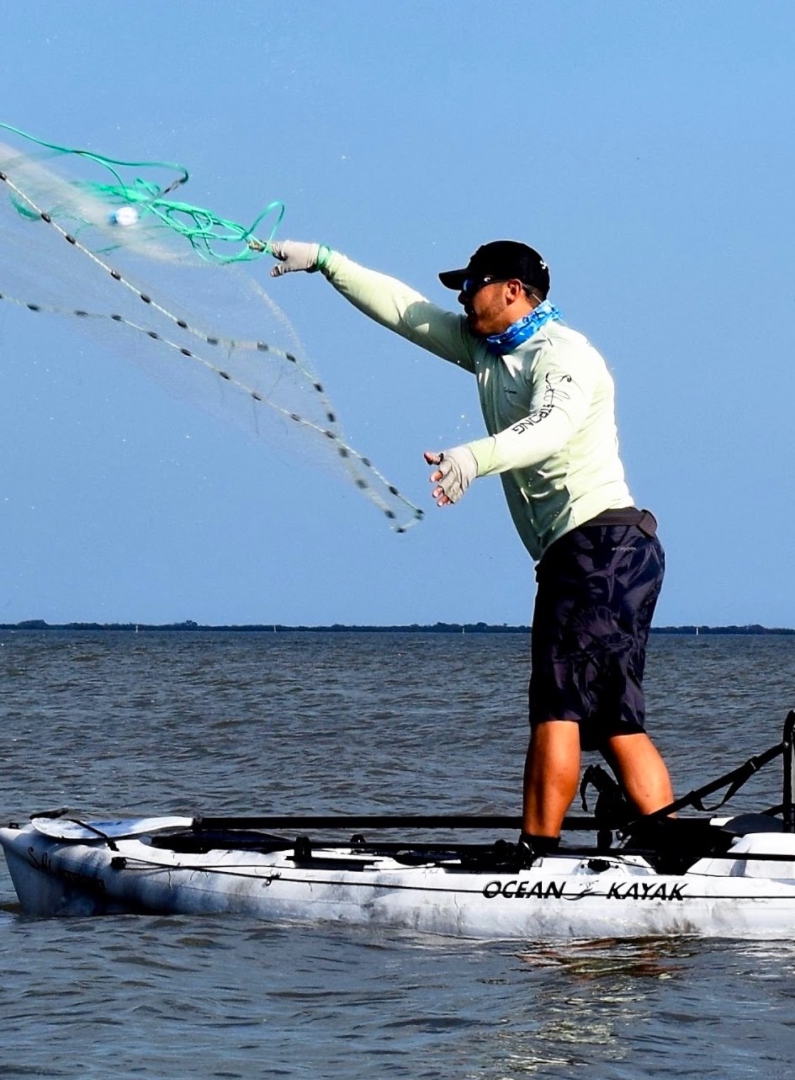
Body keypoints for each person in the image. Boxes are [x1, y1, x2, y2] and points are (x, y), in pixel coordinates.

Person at [269, 238, 674, 864]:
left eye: (472, 286)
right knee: (615, 720)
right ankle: (666, 851)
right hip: (612, 553)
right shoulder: (488, 351)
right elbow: (406, 312)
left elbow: (552, 427)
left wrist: (471, 456)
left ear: (512, 290)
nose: (461, 298)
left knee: (557, 708)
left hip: (598, 547)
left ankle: (531, 857)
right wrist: (324, 261)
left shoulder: (563, 353)